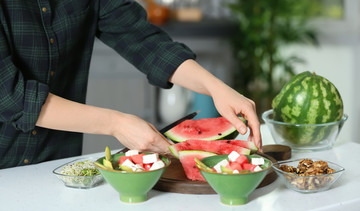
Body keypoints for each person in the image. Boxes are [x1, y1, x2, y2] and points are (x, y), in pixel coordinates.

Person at [0, 0, 261, 169]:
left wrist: (215, 87)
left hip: (57, 165)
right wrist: (116, 124)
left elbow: (142, 39)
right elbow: (12, 97)